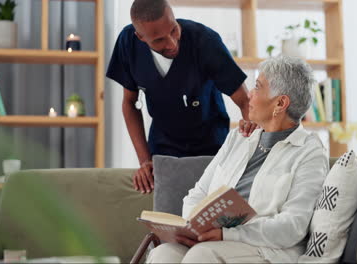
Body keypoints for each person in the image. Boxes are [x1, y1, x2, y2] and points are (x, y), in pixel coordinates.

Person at [146, 55, 329, 263]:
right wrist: (195, 227)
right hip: (214, 240)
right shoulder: (240, 137)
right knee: (164, 254)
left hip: (266, 249)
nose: (249, 94)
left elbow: (293, 226)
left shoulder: (309, 152)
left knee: (202, 255)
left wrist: (226, 234)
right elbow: (198, 194)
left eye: (258, 87)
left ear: (280, 103)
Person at [106, 0, 257, 194]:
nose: (171, 43)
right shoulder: (128, 43)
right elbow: (129, 103)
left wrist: (249, 159)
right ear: (140, 38)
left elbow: (245, 102)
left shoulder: (205, 41)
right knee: (168, 217)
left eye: (174, 30)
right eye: (159, 40)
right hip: (163, 151)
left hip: (213, 148)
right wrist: (144, 161)